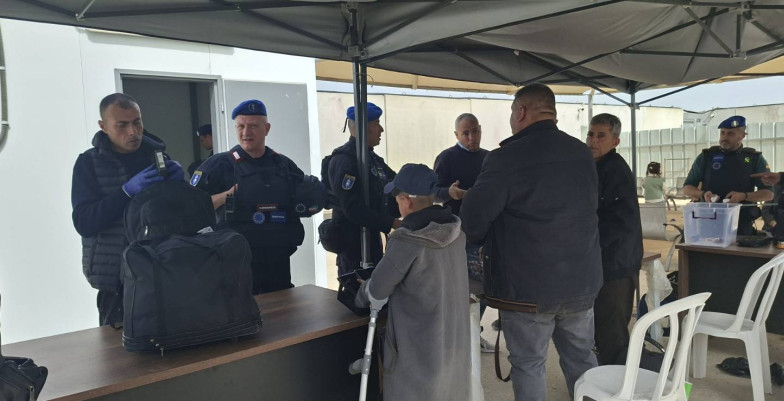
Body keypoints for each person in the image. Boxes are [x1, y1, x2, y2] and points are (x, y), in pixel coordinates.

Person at [460, 83, 602, 401]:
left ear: (521, 111)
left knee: (529, 365)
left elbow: (474, 219)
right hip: (581, 282)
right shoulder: (582, 152)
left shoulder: (505, 157)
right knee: (582, 361)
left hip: (528, 288)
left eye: (513, 113)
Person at [355, 163, 470, 401]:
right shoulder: (456, 232)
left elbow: (377, 290)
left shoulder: (407, 240)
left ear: (406, 200)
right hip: (451, 341)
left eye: (397, 199)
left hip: (418, 348)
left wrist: (361, 291)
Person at [71, 93, 184, 327]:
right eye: (122, 125)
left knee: (169, 350)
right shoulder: (88, 163)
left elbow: (178, 215)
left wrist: (181, 186)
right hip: (115, 278)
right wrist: (126, 192)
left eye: (137, 122)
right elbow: (84, 222)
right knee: (118, 356)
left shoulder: (158, 158)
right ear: (103, 127)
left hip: (160, 270)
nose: (133, 131)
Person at [191, 99, 315, 294]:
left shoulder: (283, 165)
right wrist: (225, 196)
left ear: (267, 128)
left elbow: (306, 199)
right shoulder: (218, 165)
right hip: (234, 266)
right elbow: (191, 209)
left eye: (253, 126)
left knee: (282, 318)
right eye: (241, 126)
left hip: (278, 264)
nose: (246, 132)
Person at [586, 113, 643, 366]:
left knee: (612, 332)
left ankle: (619, 387)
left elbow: (619, 221)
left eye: (601, 136)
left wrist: (586, 243)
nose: (593, 141)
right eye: (590, 134)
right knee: (596, 328)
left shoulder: (616, 169)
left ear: (615, 141)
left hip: (617, 264)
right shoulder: (593, 167)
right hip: (600, 261)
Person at [433, 112, 493, 352]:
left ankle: (472, 332)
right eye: (466, 133)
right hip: (458, 234)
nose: (472, 137)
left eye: (475, 131)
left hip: (487, 234)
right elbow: (433, 191)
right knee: (462, 288)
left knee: (487, 287)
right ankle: (460, 337)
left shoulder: (490, 158)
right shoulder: (446, 158)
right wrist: (450, 192)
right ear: (456, 134)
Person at [326, 103, 401, 276]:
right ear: (361, 128)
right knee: (357, 297)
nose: (381, 129)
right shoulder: (345, 161)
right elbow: (352, 209)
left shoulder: (373, 159)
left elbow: (397, 182)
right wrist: (393, 223)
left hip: (372, 241)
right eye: (376, 124)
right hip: (353, 248)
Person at [682, 115, 773, 235]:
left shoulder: (754, 159)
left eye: (730, 134)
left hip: (740, 225)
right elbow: (687, 188)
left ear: (742, 136)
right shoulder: (707, 156)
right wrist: (702, 194)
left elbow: (769, 194)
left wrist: (744, 196)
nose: (724, 137)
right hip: (707, 223)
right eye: (722, 133)